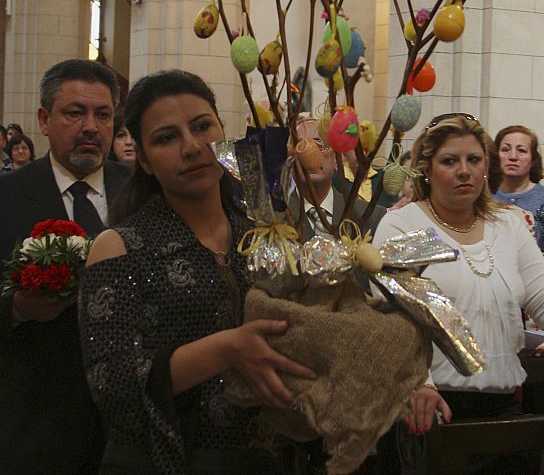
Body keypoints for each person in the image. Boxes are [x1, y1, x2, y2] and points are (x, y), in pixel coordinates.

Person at [78, 69, 315, 475]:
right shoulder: (120, 246)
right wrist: (225, 349)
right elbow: (111, 384)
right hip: (166, 459)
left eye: (202, 126)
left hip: (266, 457)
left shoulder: (262, 234)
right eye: (166, 138)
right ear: (146, 162)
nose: (191, 147)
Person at [373, 113, 544, 475]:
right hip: (426, 408)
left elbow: (541, 294)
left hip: (501, 411)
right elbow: (390, 318)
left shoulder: (508, 224)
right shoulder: (403, 225)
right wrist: (420, 383)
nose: (464, 171)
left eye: (474, 160)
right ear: (427, 169)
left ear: (486, 166)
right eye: (450, 161)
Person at [0, 59, 131, 475]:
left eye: (103, 114)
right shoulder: (8, 197)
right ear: (43, 119)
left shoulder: (142, 192)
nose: (91, 127)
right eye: (75, 113)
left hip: (127, 430)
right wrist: (18, 308)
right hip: (35, 422)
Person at [493, 125, 544, 250]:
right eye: (505, 150)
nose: (513, 157)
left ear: (533, 159)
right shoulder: (483, 196)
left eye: (521, 150)